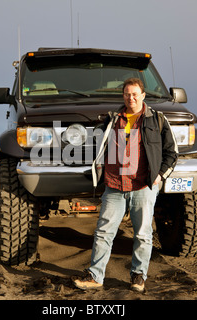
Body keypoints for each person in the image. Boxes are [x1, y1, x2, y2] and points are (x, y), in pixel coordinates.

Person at [72, 77, 178, 292]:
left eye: (135, 94)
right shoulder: (112, 120)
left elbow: (172, 152)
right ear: (123, 96)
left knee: (142, 234)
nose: (131, 98)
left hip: (143, 186)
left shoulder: (157, 119)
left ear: (143, 95)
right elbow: (98, 146)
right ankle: (95, 276)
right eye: (127, 94)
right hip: (114, 184)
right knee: (103, 232)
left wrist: (160, 175)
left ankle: (138, 277)